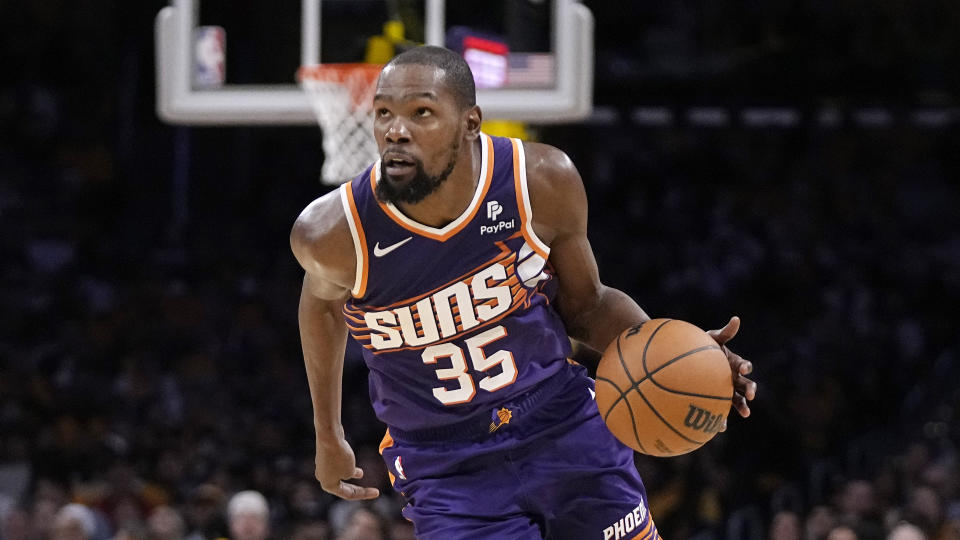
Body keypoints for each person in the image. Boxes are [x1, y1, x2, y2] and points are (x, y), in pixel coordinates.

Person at [290, 45, 757, 539]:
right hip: (444, 462)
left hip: (560, 422)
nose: (395, 130)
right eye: (383, 112)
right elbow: (320, 307)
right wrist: (328, 433)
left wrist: (690, 355)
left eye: (421, 112)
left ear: (471, 123)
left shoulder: (540, 181)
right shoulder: (333, 233)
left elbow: (588, 307)